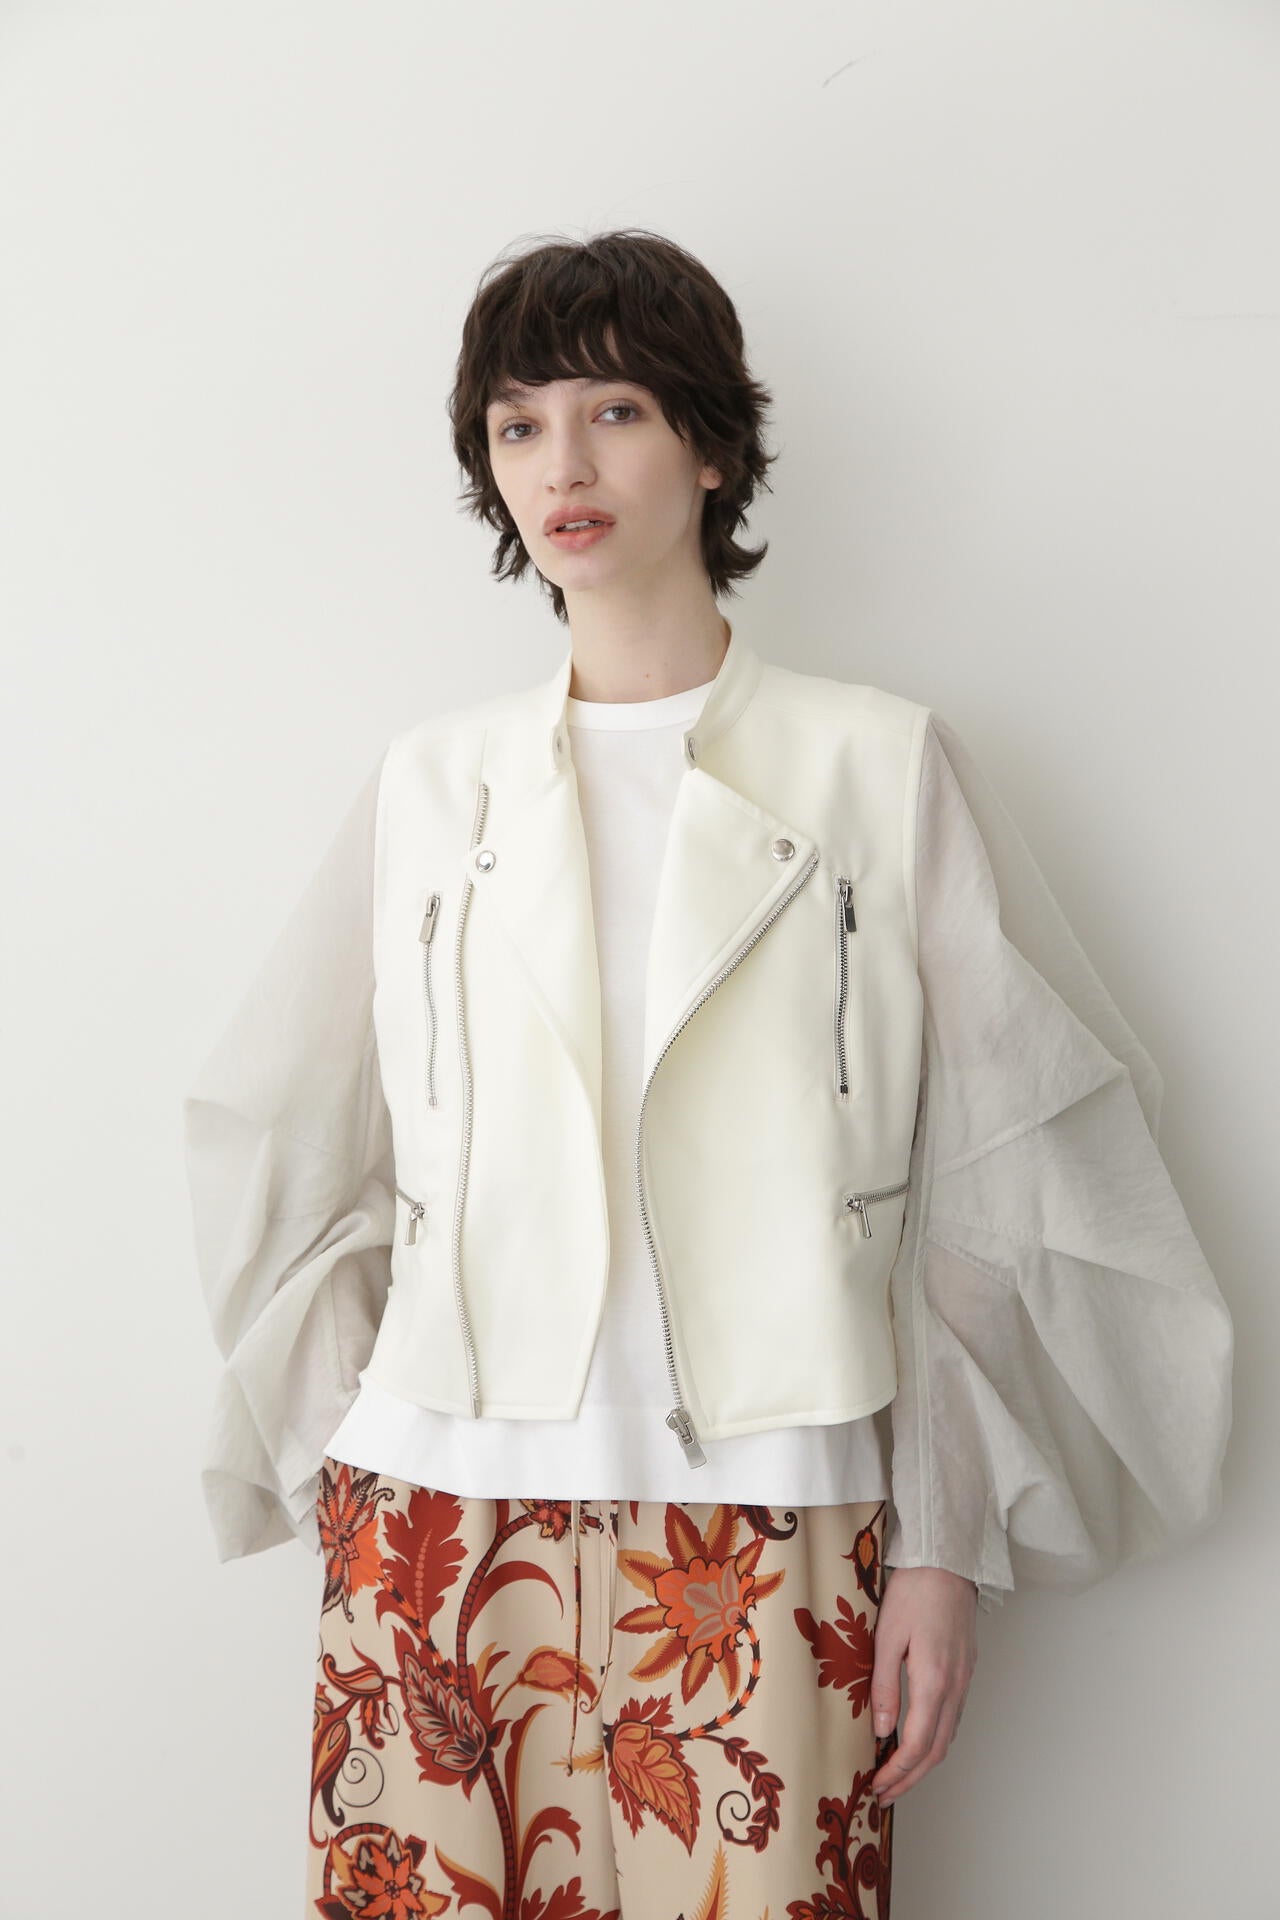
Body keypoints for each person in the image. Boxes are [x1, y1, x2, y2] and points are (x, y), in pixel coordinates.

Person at [182, 229, 1233, 1918]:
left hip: (771, 1518)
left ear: (712, 446)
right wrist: (349, 1448)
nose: (564, 466)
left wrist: (942, 1544)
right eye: (518, 425)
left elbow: (991, 1178)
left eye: (613, 411)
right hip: (442, 1517)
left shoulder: (877, 765)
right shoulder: (432, 785)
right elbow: (284, 1130)